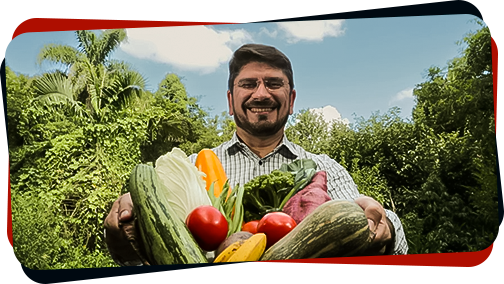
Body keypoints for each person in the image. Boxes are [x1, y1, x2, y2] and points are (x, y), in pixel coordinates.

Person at [104, 43, 408, 267]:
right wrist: (129, 229)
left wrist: (385, 224)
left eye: (274, 84)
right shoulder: (193, 167)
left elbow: (389, 243)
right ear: (230, 100)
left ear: (290, 100)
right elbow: (148, 253)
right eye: (248, 84)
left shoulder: (323, 168)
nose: (261, 94)